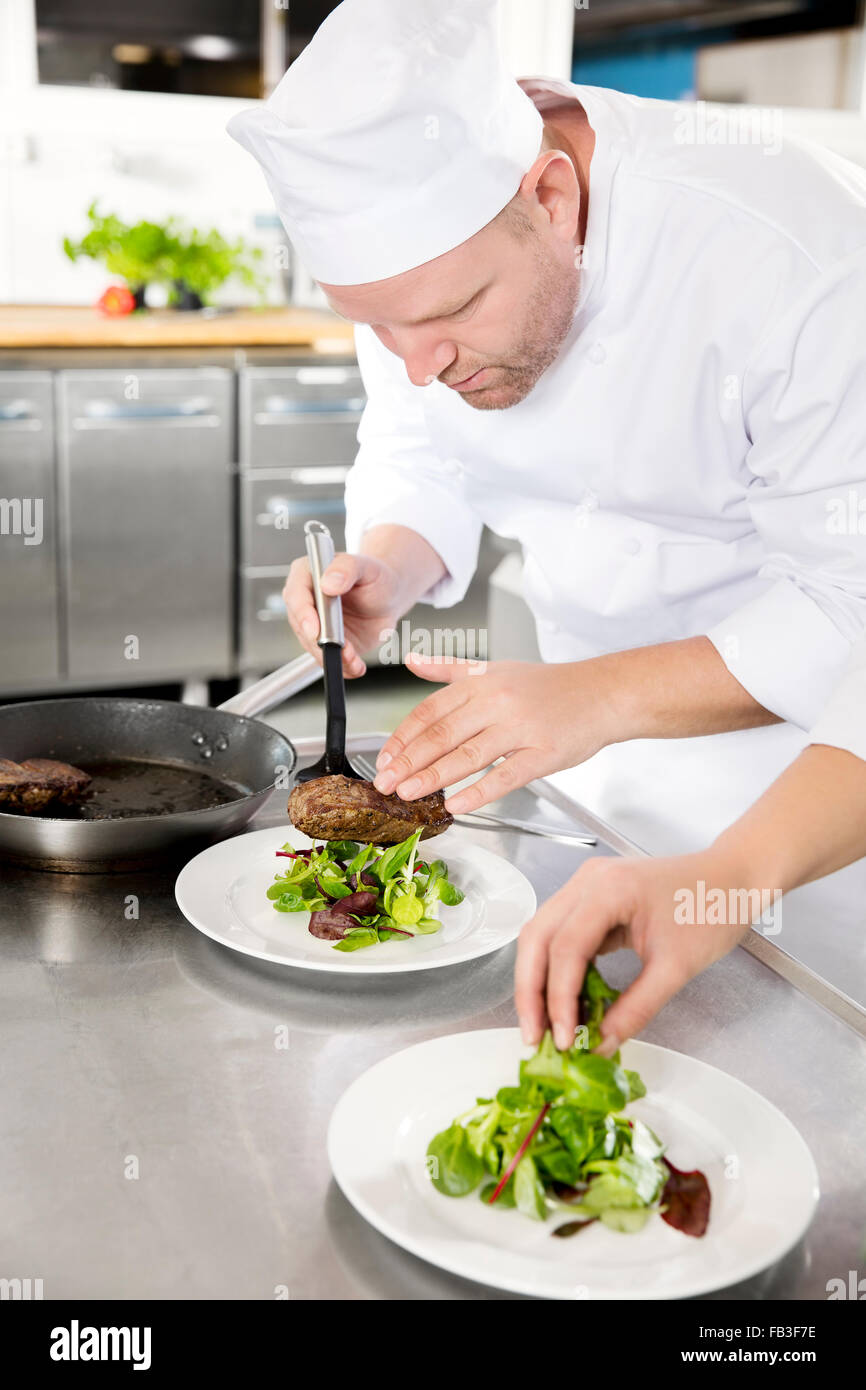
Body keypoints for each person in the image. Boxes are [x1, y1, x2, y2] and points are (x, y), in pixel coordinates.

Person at [229, 2, 866, 897]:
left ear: (553, 199)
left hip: (803, 812)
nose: (418, 366)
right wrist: (390, 565)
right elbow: (422, 447)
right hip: (576, 779)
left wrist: (597, 696)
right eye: (377, 327)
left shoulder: (805, 258)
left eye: (450, 314)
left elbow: (852, 605)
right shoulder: (426, 276)